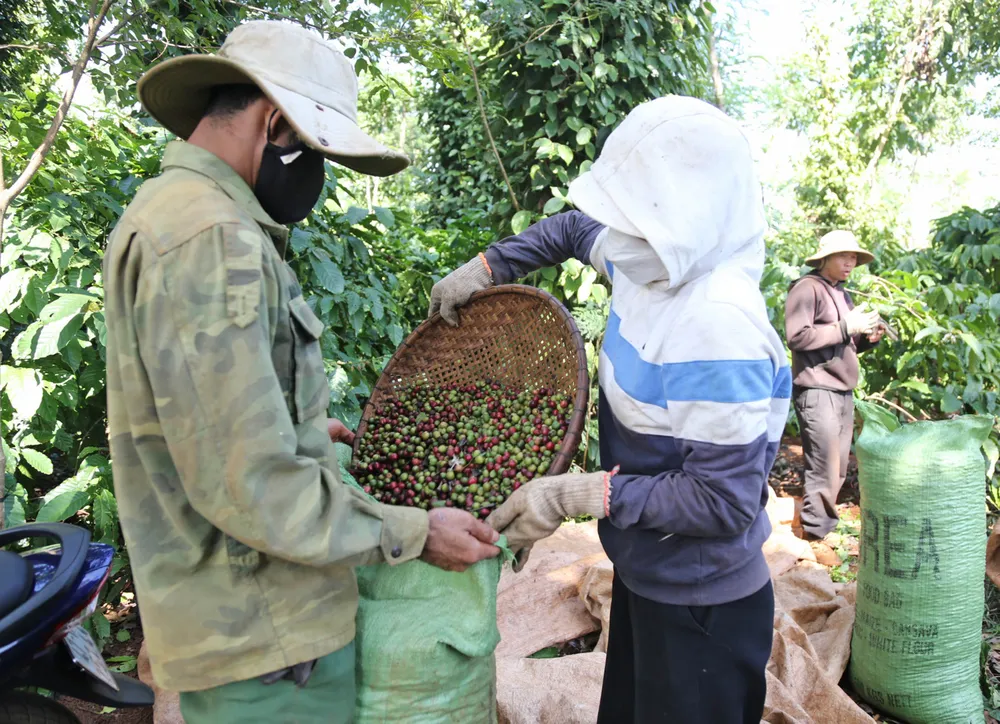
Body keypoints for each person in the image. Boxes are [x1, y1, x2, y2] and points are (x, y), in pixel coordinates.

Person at [103, 21, 499, 723]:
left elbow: (204, 416)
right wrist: (412, 531)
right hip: (269, 639)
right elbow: (249, 483)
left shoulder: (173, 215)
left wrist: (299, 423)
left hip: (257, 634)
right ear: (276, 124)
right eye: (314, 151)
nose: (316, 174)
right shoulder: (212, 240)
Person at [430, 96, 791, 724]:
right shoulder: (646, 262)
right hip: (647, 575)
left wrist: (578, 495)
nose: (619, 241)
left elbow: (725, 501)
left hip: (699, 605)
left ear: (692, 221)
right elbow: (572, 230)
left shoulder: (716, 326)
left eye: (639, 226)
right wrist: (489, 265)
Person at [784, 231, 885, 547]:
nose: (850, 262)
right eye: (844, 256)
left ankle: (823, 530)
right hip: (817, 389)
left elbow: (845, 344)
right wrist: (845, 327)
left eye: (854, 257)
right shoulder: (807, 289)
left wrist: (867, 337)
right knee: (824, 465)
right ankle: (815, 535)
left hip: (842, 390)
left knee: (839, 465)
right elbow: (798, 337)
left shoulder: (841, 294)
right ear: (824, 258)